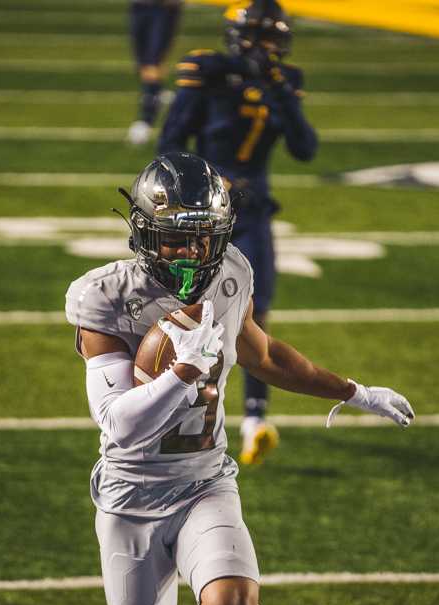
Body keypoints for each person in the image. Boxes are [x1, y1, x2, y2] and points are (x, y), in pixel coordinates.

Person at [64, 152, 414, 605]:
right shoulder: (104, 297)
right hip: (130, 496)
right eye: (177, 239)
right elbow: (117, 422)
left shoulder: (231, 274)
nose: (193, 254)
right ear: (145, 233)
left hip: (205, 481)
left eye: (205, 238)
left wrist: (354, 391)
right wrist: (181, 374)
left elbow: (266, 355)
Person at [157, 0, 317, 466]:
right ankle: (181, 407)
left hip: (255, 211)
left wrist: (280, 91)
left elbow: (305, 149)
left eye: (274, 36)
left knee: (255, 310)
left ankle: (254, 418)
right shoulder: (207, 71)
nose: (268, 46)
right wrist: (211, 177)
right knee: (192, 310)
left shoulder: (286, 82)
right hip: (204, 214)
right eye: (260, 36)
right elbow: (170, 142)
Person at [127, 0, 184, 145]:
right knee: (143, 63)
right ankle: (156, 92)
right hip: (139, 5)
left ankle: (146, 119)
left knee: (153, 63)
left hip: (163, 7)